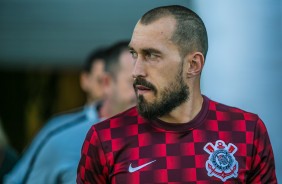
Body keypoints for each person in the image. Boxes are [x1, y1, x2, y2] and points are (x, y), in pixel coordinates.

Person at [77, 5, 277, 183]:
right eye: (134, 54)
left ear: (193, 64)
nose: (136, 71)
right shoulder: (106, 138)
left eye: (151, 55)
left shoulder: (246, 130)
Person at [5, 41, 136, 184]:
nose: (143, 93)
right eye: (134, 83)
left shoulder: (160, 138)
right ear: (106, 83)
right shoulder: (61, 137)